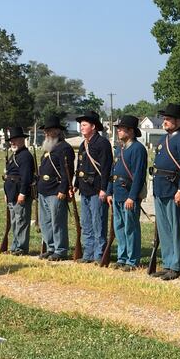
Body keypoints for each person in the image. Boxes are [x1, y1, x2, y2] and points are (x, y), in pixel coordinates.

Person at [150, 103, 180, 280]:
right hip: (161, 188)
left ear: (178, 121)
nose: (165, 122)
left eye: (168, 119)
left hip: (174, 188)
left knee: (176, 228)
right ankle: (168, 263)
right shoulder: (163, 140)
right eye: (164, 119)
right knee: (164, 229)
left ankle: (177, 265)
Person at [106, 115, 148, 271]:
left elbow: (138, 175)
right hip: (117, 193)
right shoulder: (120, 149)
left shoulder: (138, 149)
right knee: (119, 227)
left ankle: (132, 260)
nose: (119, 131)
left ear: (130, 131)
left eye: (122, 129)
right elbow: (113, 171)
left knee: (131, 228)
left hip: (129, 195)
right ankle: (122, 257)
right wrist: (110, 191)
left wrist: (132, 196)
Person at [73, 111, 113, 264]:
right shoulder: (84, 144)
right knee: (86, 223)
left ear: (93, 126)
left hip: (97, 189)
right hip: (84, 188)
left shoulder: (102, 143)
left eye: (84, 125)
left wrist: (104, 189)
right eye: (81, 125)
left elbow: (106, 168)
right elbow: (80, 167)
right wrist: (76, 184)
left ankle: (99, 254)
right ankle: (88, 253)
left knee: (98, 222)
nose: (81, 127)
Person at [37, 115, 75, 261]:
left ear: (58, 131)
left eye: (49, 130)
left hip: (56, 190)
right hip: (44, 190)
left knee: (57, 222)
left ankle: (60, 249)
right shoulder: (49, 148)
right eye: (46, 131)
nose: (46, 133)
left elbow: (67, 171)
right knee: (46, 222)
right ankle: (50, 247)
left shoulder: (64, 148)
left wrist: (62, 189)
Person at [3, 126, 35, 256]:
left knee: (21, 221)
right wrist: (6, 193)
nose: (12, 142)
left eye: (15, 140)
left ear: (22, 140)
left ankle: (21, 247)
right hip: (11, 193)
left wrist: (22, 193)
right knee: (15, 221)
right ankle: (15, 246)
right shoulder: (14, 156)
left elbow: (26, 178)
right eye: (11, 140)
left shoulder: (25, 156)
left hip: (19, 193)